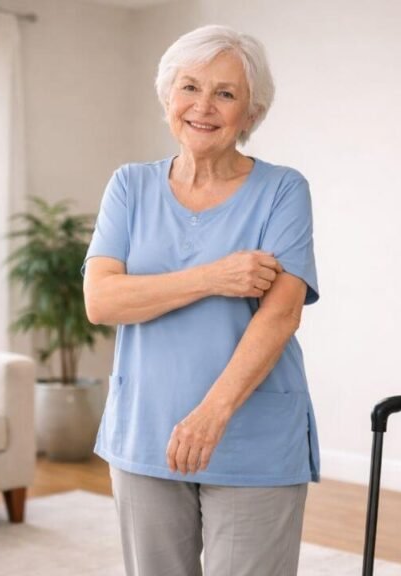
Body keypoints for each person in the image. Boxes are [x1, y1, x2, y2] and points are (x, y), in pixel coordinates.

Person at [81, 24, 320, 576]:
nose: (203, 107)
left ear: (251, 114)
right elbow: (101, 301)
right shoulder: (129, 187)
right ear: (168, 96)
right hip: (145, 430)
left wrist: (211, 416)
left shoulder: (284, 190)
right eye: (189, 87)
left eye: (226, 93)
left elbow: (281, 314)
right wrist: (215, 277)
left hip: (250, 433)